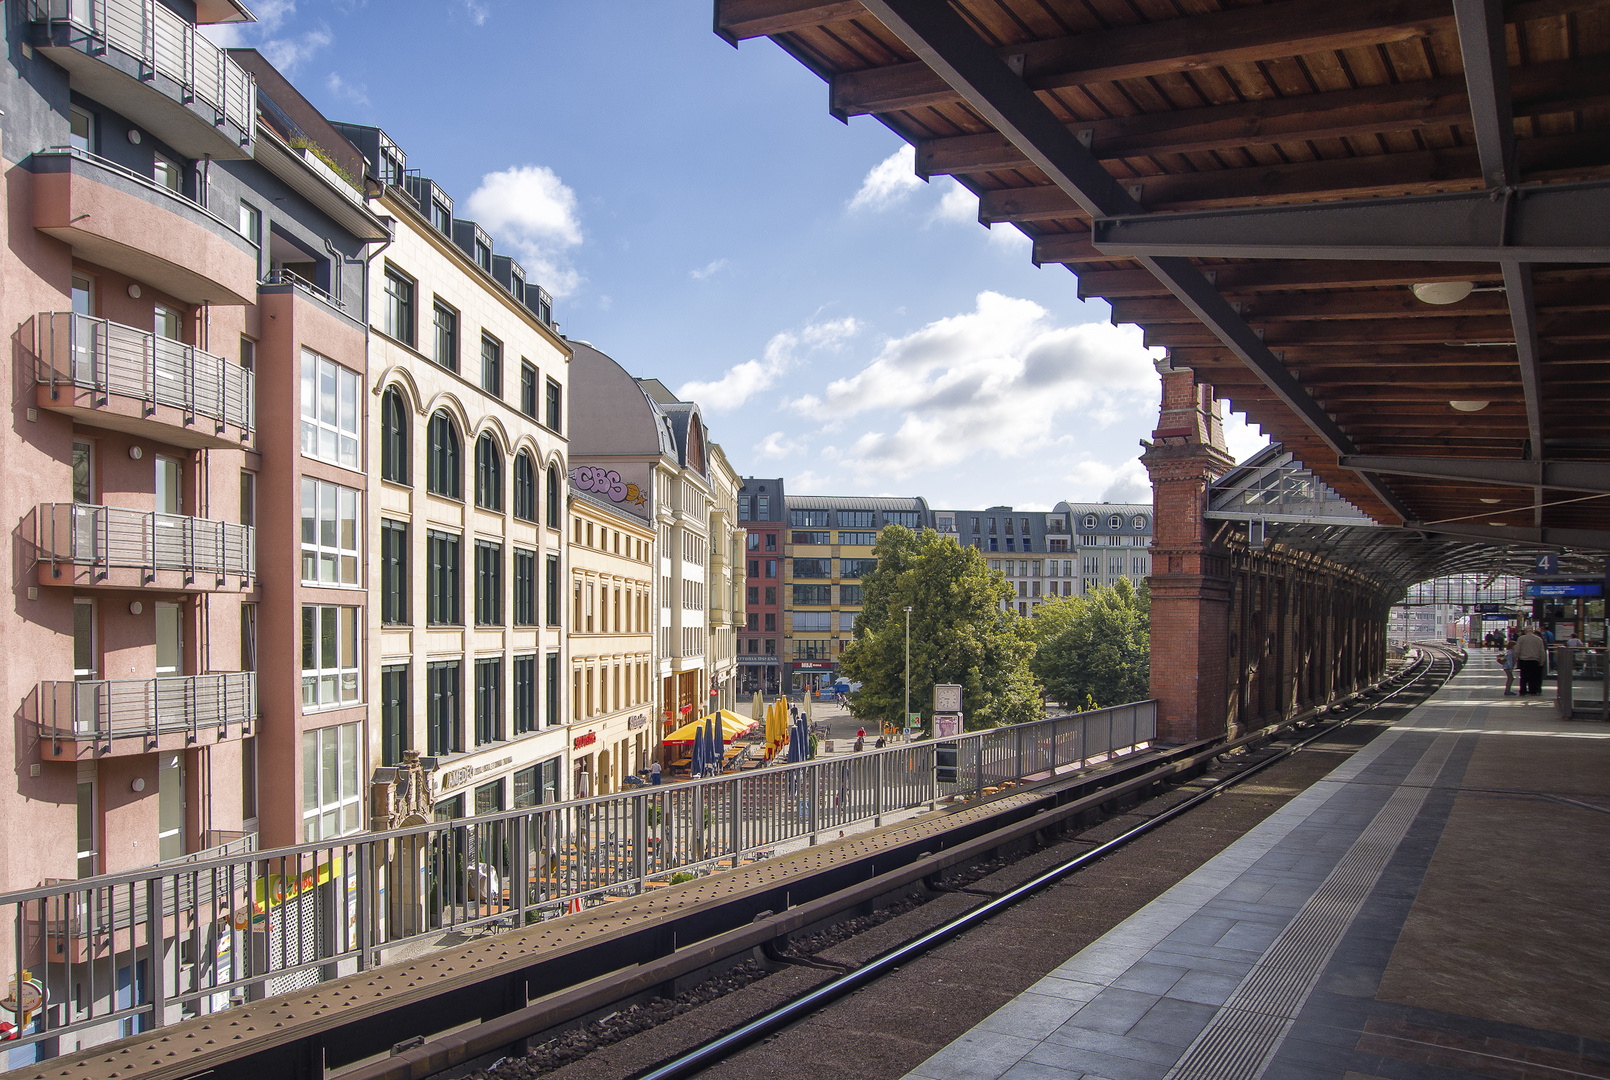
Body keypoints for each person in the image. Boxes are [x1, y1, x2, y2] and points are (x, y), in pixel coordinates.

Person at [1514, 625, 1547, 696]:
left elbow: (1517, 650)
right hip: (1534, 660)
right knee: (1533, 676)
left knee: (1523, 676)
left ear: (1526, 631)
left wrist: (1515, 657)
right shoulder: (1538, 639)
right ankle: (1533, 690)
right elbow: (1542, 651)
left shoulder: (1521, 638)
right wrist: (1542, 660)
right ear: (1533, 631)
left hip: (1524, 660)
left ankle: (1523, 690)